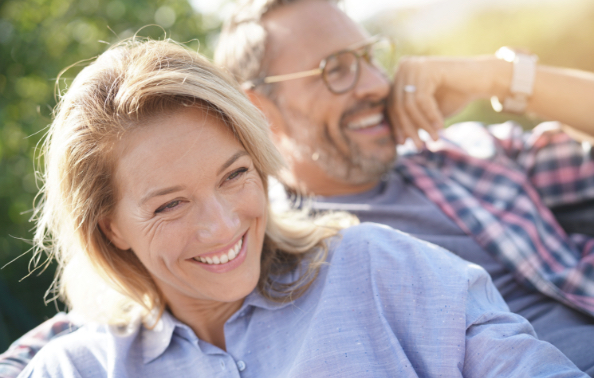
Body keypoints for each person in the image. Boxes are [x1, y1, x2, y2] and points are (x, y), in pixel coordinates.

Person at [5, 38, 589, 377]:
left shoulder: (377, 264)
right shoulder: (79, 365)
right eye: (169, 206)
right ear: (110, 226)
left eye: (235, 176)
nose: (223, 225)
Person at [214, 0, 594, 374]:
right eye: (337, 69)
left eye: (370, 57)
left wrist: (500, 76)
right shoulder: (271, 254)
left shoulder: (465, 153)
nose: (378, 85)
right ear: (258, 110)